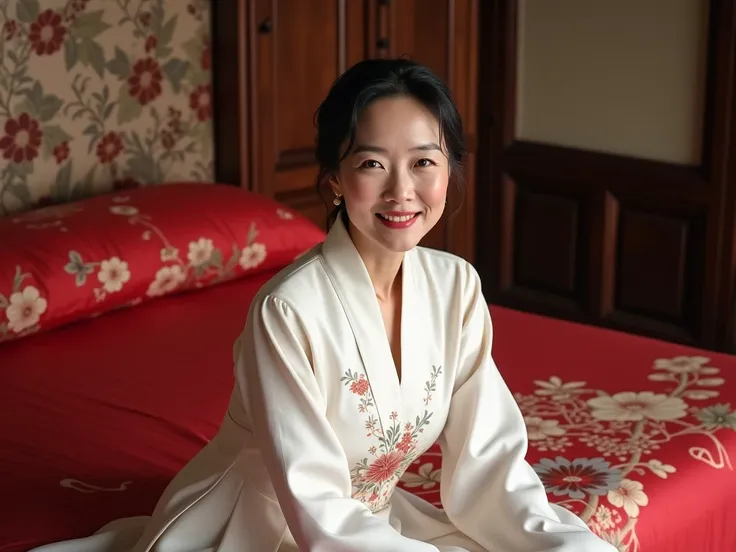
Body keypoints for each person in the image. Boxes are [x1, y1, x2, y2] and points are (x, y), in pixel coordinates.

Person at [32, 59, 616, 552]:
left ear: (449, 171)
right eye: (371, 164)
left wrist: (559, 545)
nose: (401, 191)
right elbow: (313, 503)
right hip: (260, 529)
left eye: (423, 162)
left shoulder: (455, 288)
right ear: (336, 179)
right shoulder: (287, 309)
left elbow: (491, 465)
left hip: (365, 528)